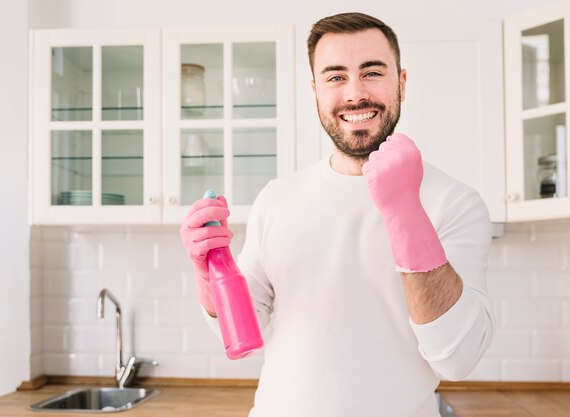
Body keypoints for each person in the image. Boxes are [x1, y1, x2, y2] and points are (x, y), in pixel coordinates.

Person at [180, 12, 495, 417]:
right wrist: (207, 273)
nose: (354, 93)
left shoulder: (455, 202)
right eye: (335, 77)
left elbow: (457, 357)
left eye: (372, 72)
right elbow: (244, 333)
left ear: (401, 82)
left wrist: (405, 211)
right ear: (315, 92)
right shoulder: (277, 198)